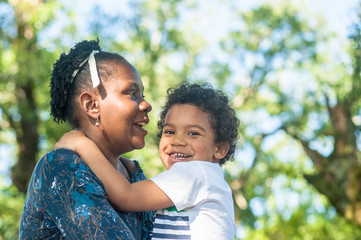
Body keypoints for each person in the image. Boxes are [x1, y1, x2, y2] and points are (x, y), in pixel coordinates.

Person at [57, 82, 240, 239]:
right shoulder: (204, 181)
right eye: (169, 132)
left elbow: (126, 196)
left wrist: (82, 145)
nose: (177, 141)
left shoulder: (196, 173)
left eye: (193, 133)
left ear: (220, 148)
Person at [19, 39, 154, 240]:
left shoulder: (133, 176)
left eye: (142, 95)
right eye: (132, 93)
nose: (146, 105)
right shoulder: (62, 167)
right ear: (91, 105)